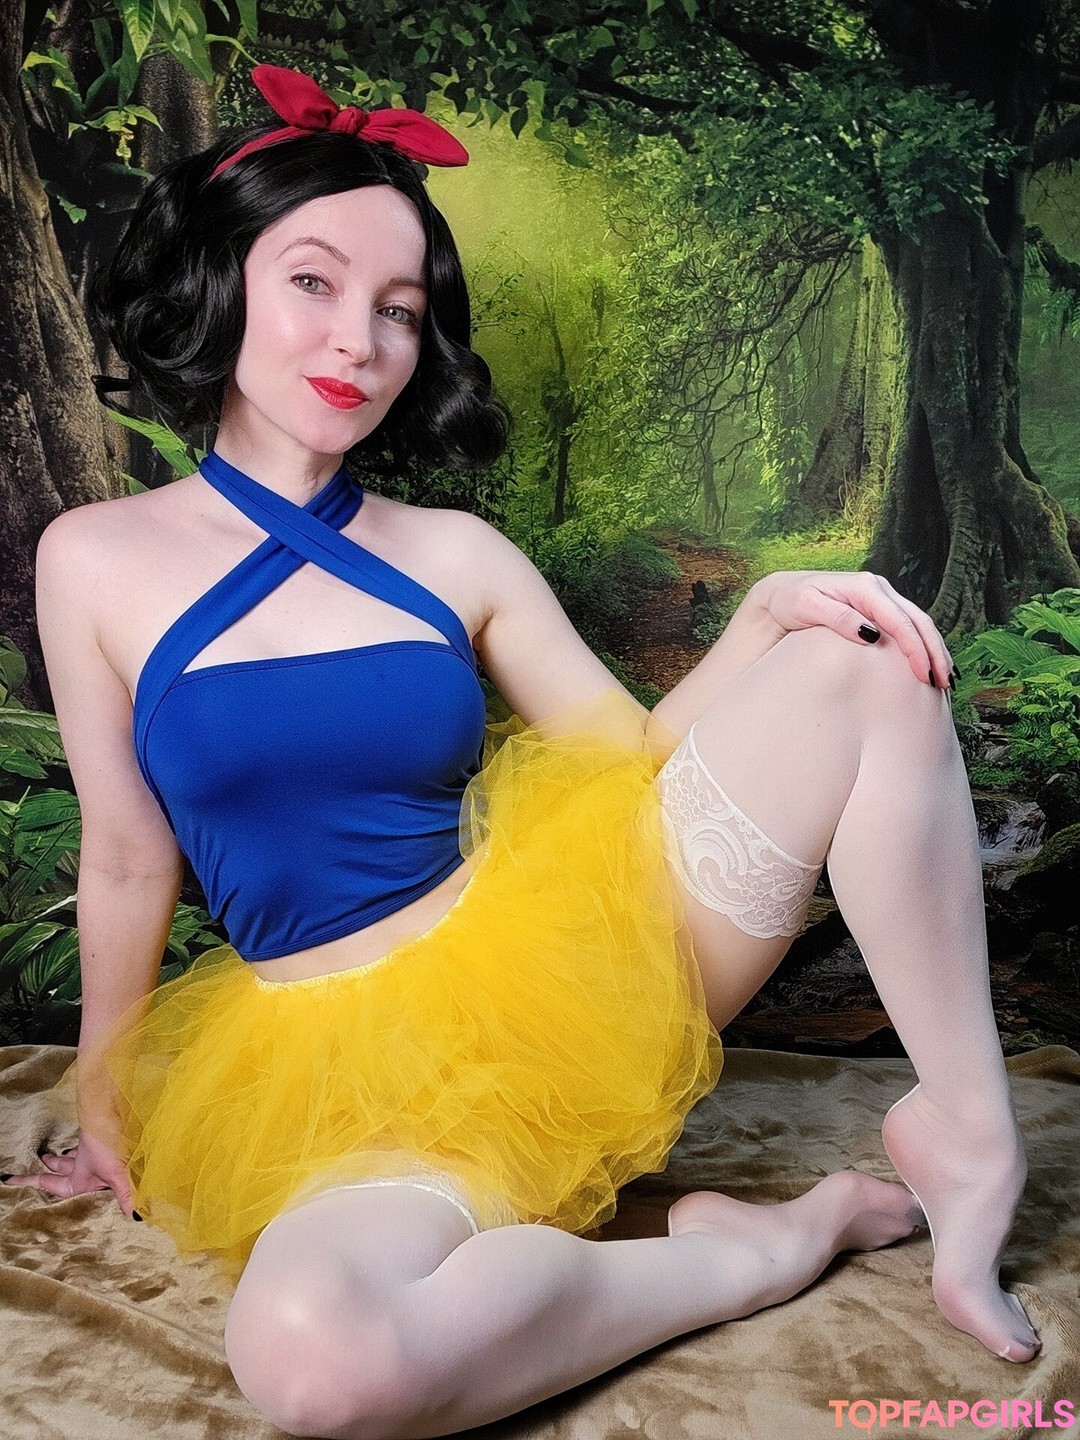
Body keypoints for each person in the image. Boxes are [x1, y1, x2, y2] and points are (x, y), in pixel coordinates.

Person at [4, 63, 1038, 1440]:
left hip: (553, 988)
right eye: (312, 282)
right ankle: (761, 1249)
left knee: (863, 662)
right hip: (326, 1073)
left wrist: (765, 619)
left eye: (397, 309)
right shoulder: (93, 558)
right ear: (218, 284)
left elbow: (634, 762)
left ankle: (965, 1132)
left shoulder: (457, 554)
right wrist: (103, 1090)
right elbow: (131, 856)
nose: (360, 340)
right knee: (322, 1364)